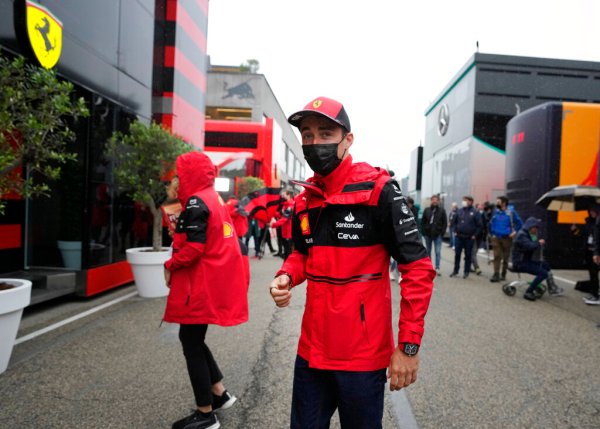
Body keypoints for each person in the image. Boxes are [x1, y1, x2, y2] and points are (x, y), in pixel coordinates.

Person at [269, 96, 435, 429]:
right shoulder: (305, 200)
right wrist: (286, 275)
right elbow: (302, 254)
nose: (314, 143)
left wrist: (408, 346)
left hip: (361, 359)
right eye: (307, 134)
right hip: (311, 353)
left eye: (325, 133)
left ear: (348, 139)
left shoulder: (379, 190)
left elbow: (417, 269)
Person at [163, 151, 249, 429]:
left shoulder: (197, 201)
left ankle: (205, 414)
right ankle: (219, 393)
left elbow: (194, 249)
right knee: (193, 339)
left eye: (178, 174)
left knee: (190, 341)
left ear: (189, 175)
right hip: (211, 281)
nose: (175, 180)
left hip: (200, 284)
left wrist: (169, 264)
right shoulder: (211, 197)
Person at [512, 217, 564, 301]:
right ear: (531, 226)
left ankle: (552, 288)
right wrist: (538, 243)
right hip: (520, 263)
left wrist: (536, 242)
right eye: (536, 227)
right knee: (543, 273)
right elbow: (530, 246)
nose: (537, 229)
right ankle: (528, 292)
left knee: (546, 265)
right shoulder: (522, 235)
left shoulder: (527, 234)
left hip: (525, 261)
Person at [489, 196, 523, 282]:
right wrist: (492, 233)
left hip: (507, 238)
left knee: (505, 257)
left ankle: (503, 274)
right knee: (497, 256)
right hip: (496, 237)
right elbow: (491, 222)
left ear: (504, 203)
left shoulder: (511, 212)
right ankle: (496, 274)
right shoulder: (495, 212)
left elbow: (520, 223)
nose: (497, 203)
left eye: (498, 202)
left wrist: (514, 232)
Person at [449, 195, 482, 279]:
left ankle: (466, 272)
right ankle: (455, 270)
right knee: (457, 254)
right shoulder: (459, 211)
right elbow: (454, 222)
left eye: (465, 200)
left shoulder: (475, 212)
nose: (463, 202)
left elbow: (479, 225)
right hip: (459, 236)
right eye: (463, 200)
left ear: (471, 201)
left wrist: (475, 235)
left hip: (469, 238)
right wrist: (455, 230)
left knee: (468, 255)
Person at [420, 194, 447, 276]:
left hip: (437, 235)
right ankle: (429, 267)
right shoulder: (427, 210)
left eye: (436, 200)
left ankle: (437, 267)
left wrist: (442, 233)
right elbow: (422, 222)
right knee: (428, 251)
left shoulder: (442, 211)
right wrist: (424, 232)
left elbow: (445, 223)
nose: (434, 201)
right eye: (433, 199)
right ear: (431, 201)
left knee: (437, 252)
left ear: (438, 201)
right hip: (428, 235)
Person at [578, 207, 600, 305]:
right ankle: (594, 293)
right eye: (590, 210)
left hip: (596, 252)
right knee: (593, 273)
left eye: (594, 210)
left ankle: (596, 295)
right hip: (590, 251)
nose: (592, 212)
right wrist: (574, 230)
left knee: (595, 273)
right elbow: (583, 235)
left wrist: (596, 253)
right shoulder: (588, 222)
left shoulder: (598, 222)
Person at [271, 189, 294, 260]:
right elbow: (280, 215)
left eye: (283, 195)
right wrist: (271, 212)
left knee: (288, 252)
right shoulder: (285, 205)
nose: (282, 197)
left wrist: (273, 225)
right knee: (286, 251)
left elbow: (284, 218)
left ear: (288, 195)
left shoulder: (291, 205)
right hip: (284, 231)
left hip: (289, 232)